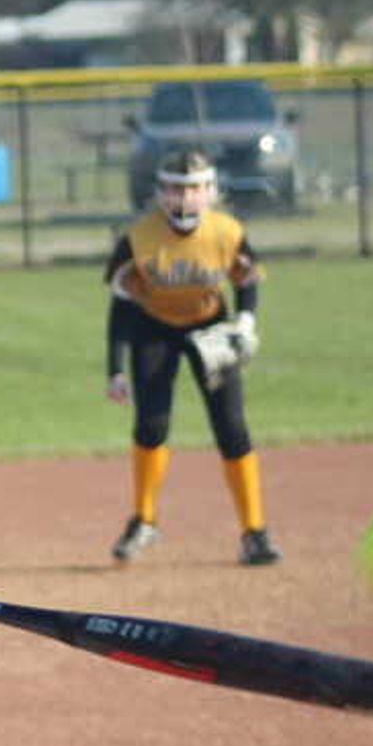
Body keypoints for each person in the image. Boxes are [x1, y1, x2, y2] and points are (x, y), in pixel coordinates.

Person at [102, 147, 280, 566]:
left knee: (232, 427)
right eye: (175, 189)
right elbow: (121, 305)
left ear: (211, 191)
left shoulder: (226, 231)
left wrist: (247, 322)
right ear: (160, 192)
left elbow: (247, 277)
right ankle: (143, 520)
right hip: (153, 329)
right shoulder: (139, 239)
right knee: (152, 424)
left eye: (195, 188)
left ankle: (254, 532)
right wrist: (115, 368)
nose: (185, 198)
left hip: (211, 328)